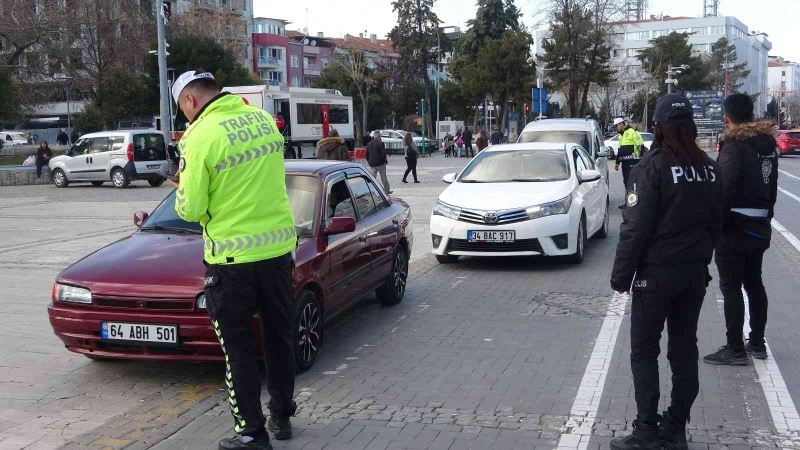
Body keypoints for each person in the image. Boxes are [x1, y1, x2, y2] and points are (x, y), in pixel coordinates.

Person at [171, 70, 297, 450]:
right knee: (279, 339)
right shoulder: (259, 117)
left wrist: (179, 188)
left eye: (182, 110)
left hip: (231, 260)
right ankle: (281, 417)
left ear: (190, 101)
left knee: (237, 349)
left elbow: (191, 209)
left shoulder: (200, 135)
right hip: (277, 253)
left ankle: (251, 433)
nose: (185, 118)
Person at [609, 94, 722, 450]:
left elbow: (635, 228)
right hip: (692, 275)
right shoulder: (708, 167)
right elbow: (718, 223)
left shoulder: (652, 165)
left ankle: (646, 431)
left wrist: (620, 277)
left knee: (644, 352)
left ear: (657, 127)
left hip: (656, 274)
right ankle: (675, 428)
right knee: (684, 350)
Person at [703, 93, 779, 365]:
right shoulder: (768, 144)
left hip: (734, 229)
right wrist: (766, 219)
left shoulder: (734, 146)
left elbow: (723, 189)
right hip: (759, 227)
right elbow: (772, 188)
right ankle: (757, 343)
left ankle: (734, 349)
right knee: (754, 283)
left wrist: (716, 228)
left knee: (731, 287)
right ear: (751, 116)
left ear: (727, 118)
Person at [613, 117, 646, 209]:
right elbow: (620, 150)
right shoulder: (621, 136)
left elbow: (640, 146)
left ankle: (634, 204)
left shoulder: (632, 132)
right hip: (625, 163)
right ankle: (628, 203)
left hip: (633, 162)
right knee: (626, 182)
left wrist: (639, 160)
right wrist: (617, 162)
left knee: (633, 183)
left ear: (621, 124)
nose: (616, 128)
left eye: (616, 126)